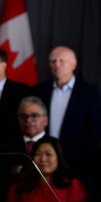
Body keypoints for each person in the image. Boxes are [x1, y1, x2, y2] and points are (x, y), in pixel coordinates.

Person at [32, 46, 101, 182]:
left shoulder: (90, 93)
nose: (57, 64)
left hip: (76, 160)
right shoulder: (39, 90)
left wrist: (66, 152)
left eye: (62, 60)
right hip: (42, 161)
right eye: (53, 61)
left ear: (74, 64)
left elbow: (95, 130)